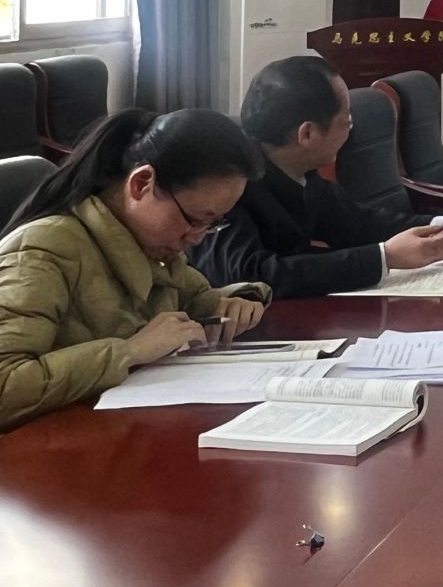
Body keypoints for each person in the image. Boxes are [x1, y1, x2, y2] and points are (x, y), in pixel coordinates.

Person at [0, 109, 272, 432]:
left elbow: (195, 297)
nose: (197, 237)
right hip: (40, 450)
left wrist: (231, 303)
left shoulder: (149, 242)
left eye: (212, 223)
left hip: (111, 431)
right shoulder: (42, 252)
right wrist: (129, 352)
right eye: (195, 219)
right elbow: (5, 385)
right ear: (141, 183)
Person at [190, 57, 443, 299]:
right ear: (307, 133)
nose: (351, 130)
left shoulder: (298, 170)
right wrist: (385, 257)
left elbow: (359, 223)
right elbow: (251, 276)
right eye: (346, 122)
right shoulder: (228, 182)